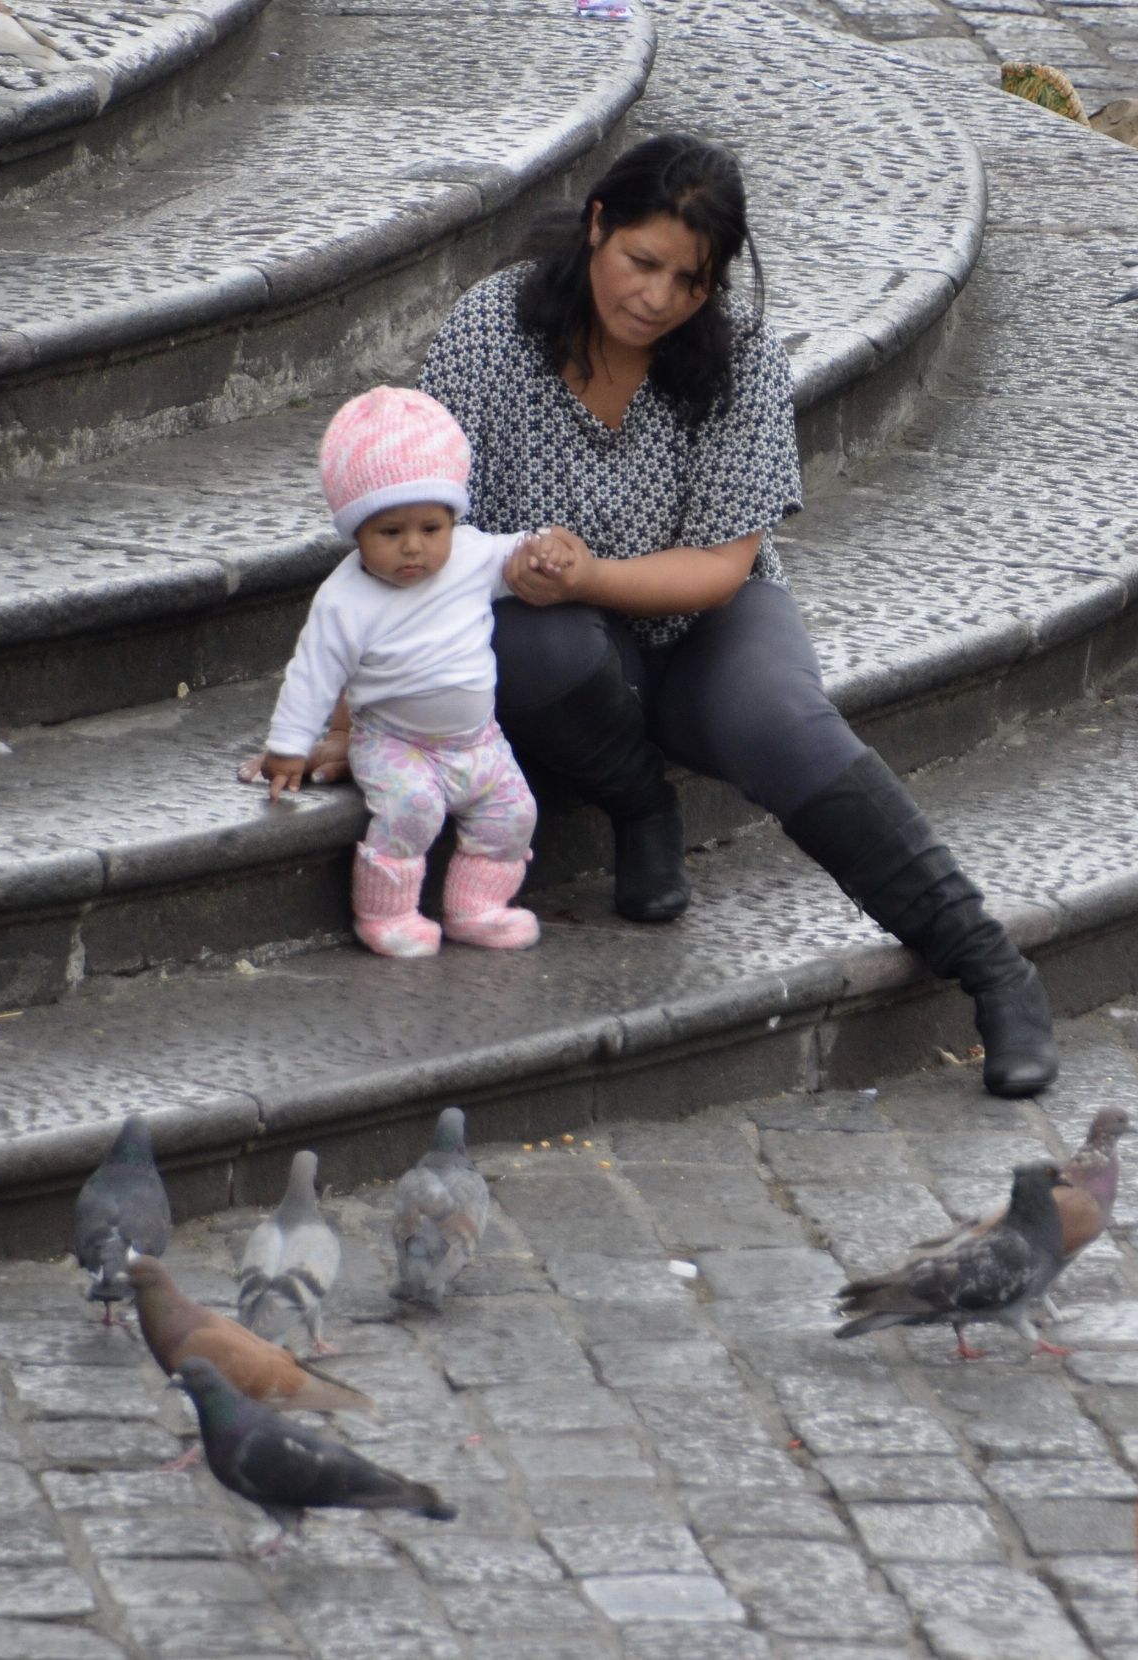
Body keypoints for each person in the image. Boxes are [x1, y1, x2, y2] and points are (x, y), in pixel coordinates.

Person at [414, 133, 1059, 1099]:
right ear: (597, 225)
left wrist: (590, 573)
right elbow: (415, 516)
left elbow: (722, 568)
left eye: (690, 281)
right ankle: (640, 804)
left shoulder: (740, 361)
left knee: (780, 721)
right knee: (531, 645)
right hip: (544, 629)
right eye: (642, 263)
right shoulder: (491, 329)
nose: (658, 299)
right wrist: (351, 704)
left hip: (705, 618)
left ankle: (992, 967)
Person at [240, 387, 544, 959]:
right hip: (394, 742)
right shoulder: (345, 599)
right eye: (389, 532)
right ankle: (388, 914)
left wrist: (545, 553)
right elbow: (312, 674)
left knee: (513, 814)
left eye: (431, 529)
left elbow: (520, 556)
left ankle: (477, 909)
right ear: (356, 533)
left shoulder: (475, 556)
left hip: (479, 742)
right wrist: (287, 746)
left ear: (453, 520)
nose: (413, 548)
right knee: (411, 810)